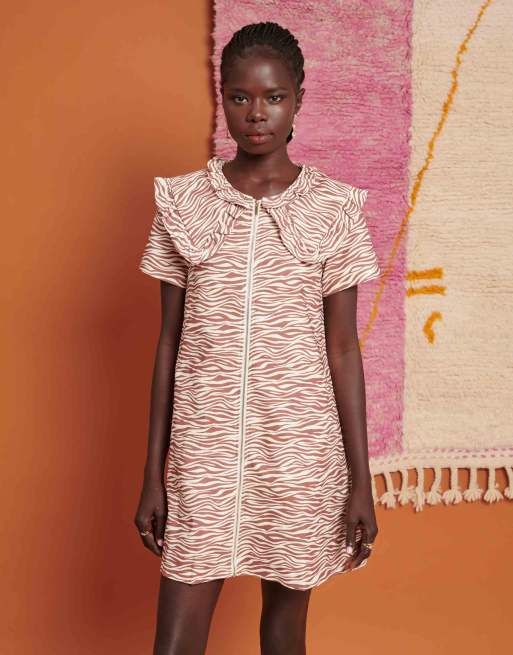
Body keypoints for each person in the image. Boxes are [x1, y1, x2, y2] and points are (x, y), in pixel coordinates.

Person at [135, 21, 381, 655]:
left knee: (284, 634)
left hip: (299, 452)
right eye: (240, 97)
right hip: (205, 450)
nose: (256, 113)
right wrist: (154, 473)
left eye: (273, 97)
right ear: (222, 98)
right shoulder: (185, 205)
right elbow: (168, 345)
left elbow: (344, 349)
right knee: (175, 641)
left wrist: (361, 480)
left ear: (298, 99)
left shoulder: (335, 209)